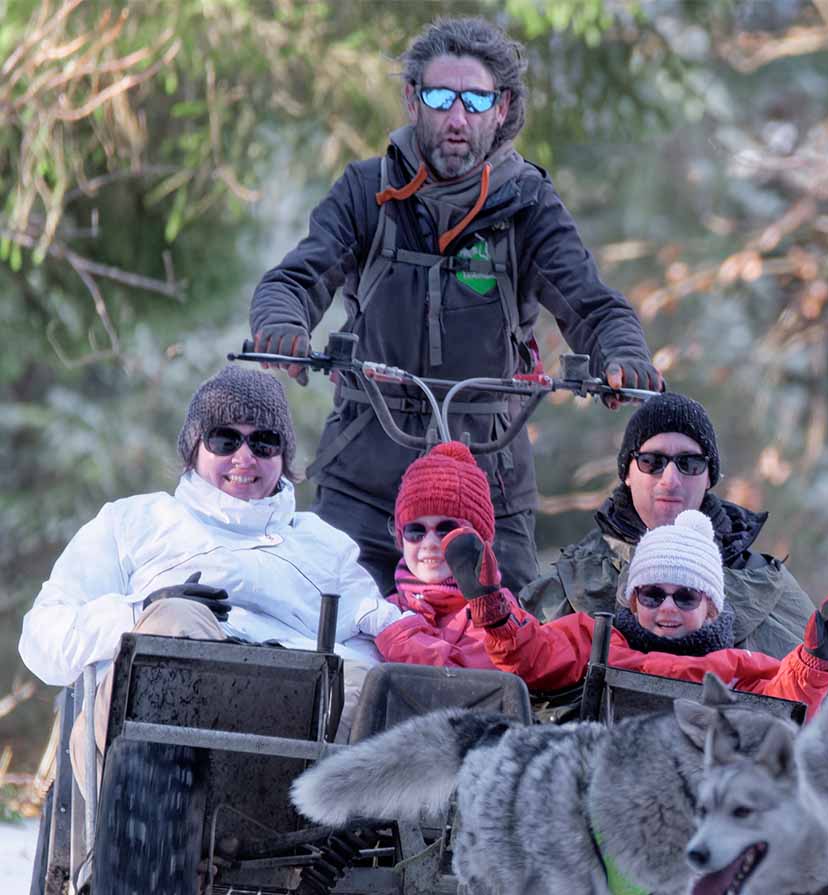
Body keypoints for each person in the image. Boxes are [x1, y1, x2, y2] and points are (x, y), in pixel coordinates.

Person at [249, 16, 661, 597]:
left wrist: (622, 355)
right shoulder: (369, 192)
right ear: (413, 100)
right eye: (441, 98)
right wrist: (282, 326)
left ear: (502, 107)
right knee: (328, 631)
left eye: (475, 100)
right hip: (366, 480)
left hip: (487, 484)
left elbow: (593, 306)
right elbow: (294, 279)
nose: (457, 119)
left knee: (508, 647)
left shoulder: (527, 205)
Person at [18, 365, 402, 794]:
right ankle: (158, 824)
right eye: (224, 439)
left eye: (264, 441)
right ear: (194, 448)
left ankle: (318, 834)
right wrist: (139, 612)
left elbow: (383, 635)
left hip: (296, 726)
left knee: (370, 684)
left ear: (283, 456)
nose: (245, 457)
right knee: (176, 622)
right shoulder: (134, 522)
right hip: (161, 733)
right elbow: (42, 639)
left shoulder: (323, 545)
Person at [441, 509, 828, 720]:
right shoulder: (596, 640)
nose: (666, 608)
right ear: (631, 599)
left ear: (711, 606)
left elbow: (782, 702)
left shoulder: (736, 665)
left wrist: (813, 660)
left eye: (685, 598)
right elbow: (531, 655)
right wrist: (493, 609)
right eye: (651, 595)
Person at [519, 391, 816, 658]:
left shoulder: (763, 582)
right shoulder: (577, 576)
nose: (670, 479)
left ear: (709, 476)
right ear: (627, 472)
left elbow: (824, 698)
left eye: (690, 463)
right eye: (651, 461)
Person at [374, 441, 517, 669]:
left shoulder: (496, 613)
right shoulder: (386, 608)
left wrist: (398, 638)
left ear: (478, 540)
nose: (430, 543)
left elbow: (461, 678)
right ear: (401, 540)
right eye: (415, 531)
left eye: (446, 529)